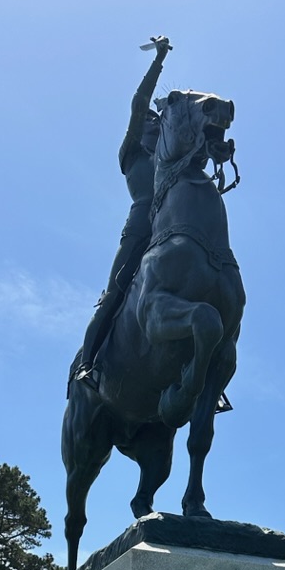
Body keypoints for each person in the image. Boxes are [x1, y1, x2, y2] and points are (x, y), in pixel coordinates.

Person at [72, 35, 172, 392]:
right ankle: (86, 365)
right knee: (115, 291)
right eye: (150, 121)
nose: (155, 124)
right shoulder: (131, 151)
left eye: (159, 122)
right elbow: (139, 102)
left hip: (169, 226)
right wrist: (158, 61)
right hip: (140, 225)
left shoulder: (168, 163)